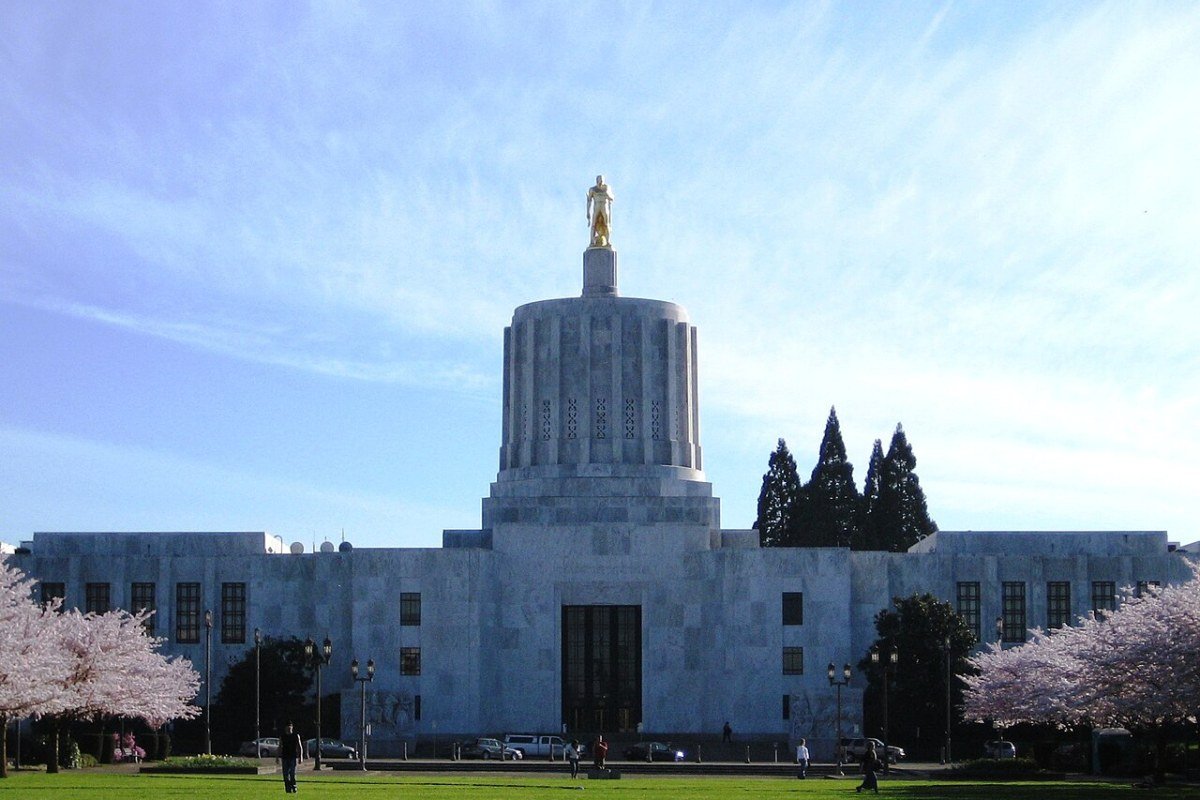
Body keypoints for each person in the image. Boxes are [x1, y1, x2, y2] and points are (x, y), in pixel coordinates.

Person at [586, 175, 614, 247]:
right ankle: (592, 242)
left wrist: (607, 195)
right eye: (599, 180)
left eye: (602, 180)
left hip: (604, 207)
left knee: (606, 224)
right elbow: (589, 201)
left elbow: (612, 198)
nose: (601, 182)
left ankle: (608, 241)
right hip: (597, 207)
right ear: (597, 180)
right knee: (593, 224)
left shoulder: (607, 188)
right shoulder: (593, 189)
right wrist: (588, 212)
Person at [279, 722, 304, 794]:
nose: (289, 729)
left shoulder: (296, 736)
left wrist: (300, 756)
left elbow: (299, 746)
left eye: (290, 727)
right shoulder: (283, 736)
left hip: (293, 756)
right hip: (285, 757)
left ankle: (294, 786)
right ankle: (288, 788)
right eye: (287, 727)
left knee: (292, 773)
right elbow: (280, 746)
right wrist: (277, 757)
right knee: (285, 774)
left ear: (292, 728)